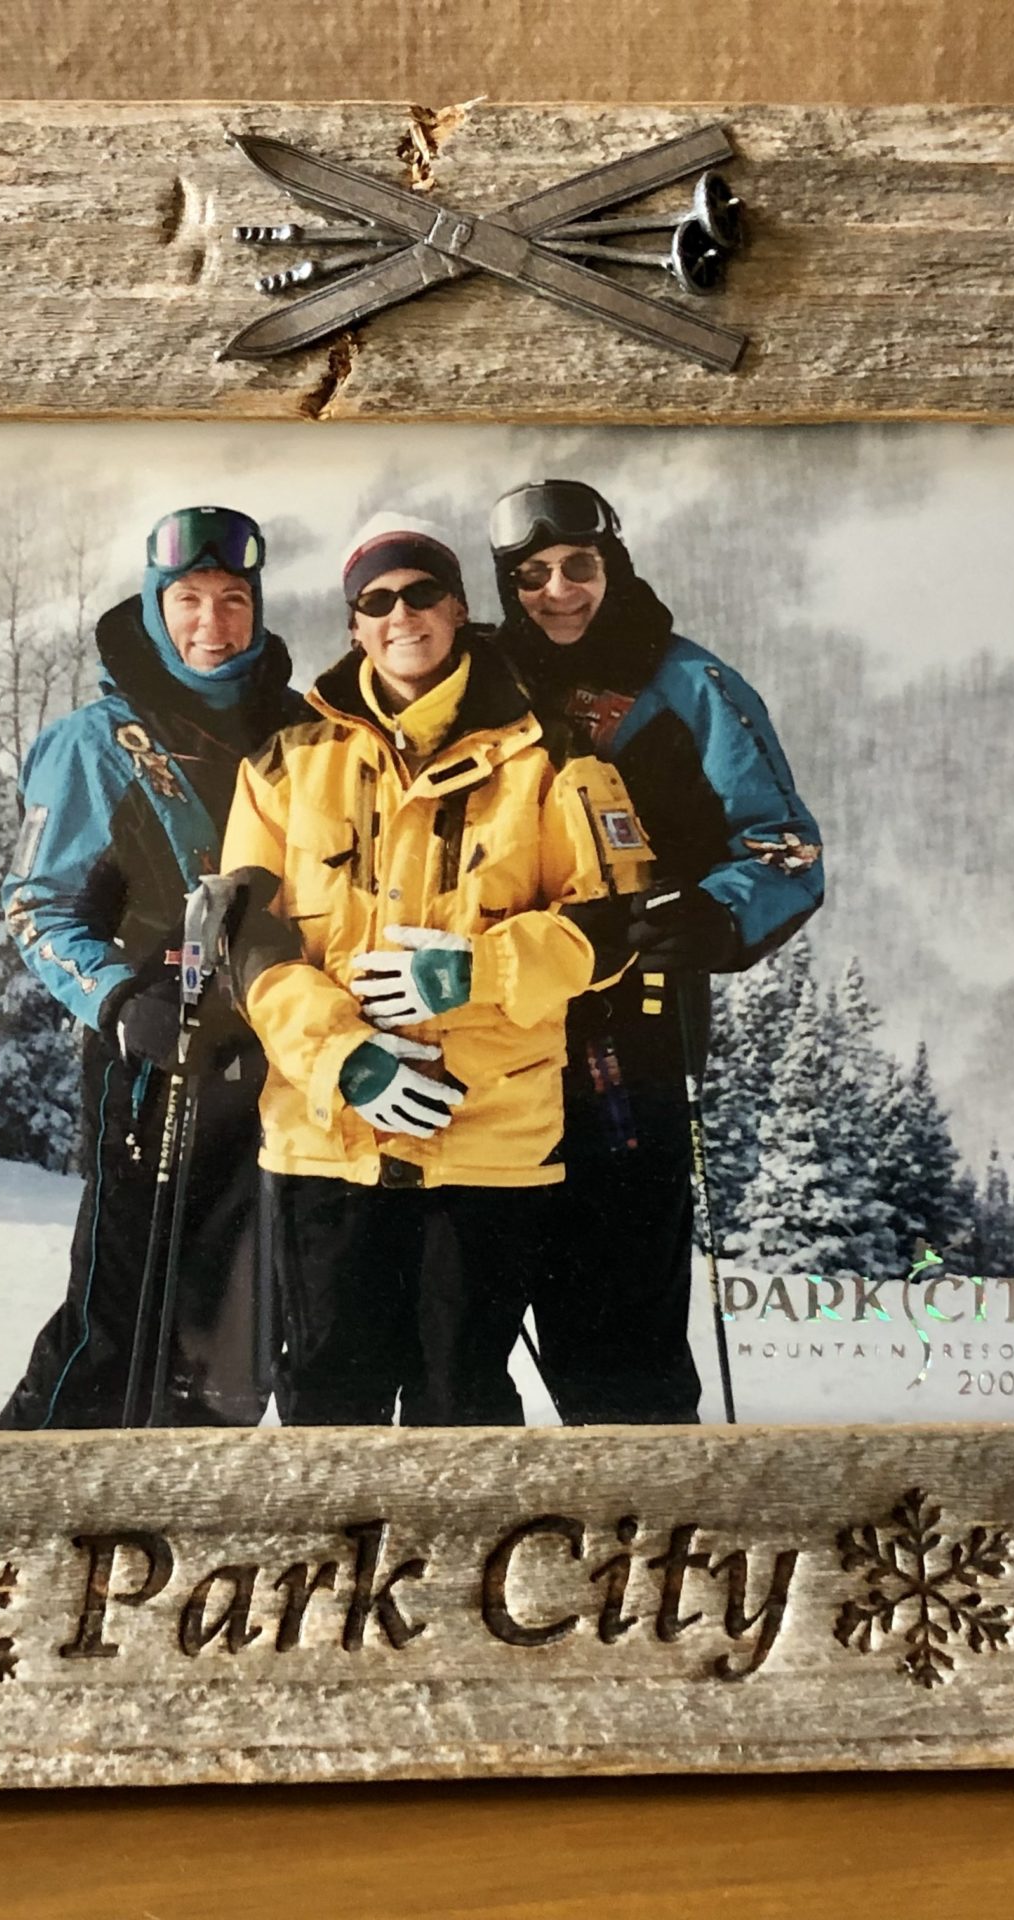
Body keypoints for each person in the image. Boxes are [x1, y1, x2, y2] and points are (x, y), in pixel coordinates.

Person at [219, 513, 652, 1425]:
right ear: (353, 626)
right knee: (329, 1392)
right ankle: (326, 1572)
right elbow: (249, 943)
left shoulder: (553, 753)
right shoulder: (287, 761)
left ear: (457, 608)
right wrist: (344, 1058)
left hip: (487, 1140)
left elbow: (614, 922)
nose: (399, 615)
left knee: (463, 1398)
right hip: (325, 1140)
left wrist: (480, 971)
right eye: (374, 602)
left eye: (421, 593)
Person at [486, 478, 825, 1424]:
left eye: (581, 567)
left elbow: (785, 850)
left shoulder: (688, 685)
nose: (560, 591)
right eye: (533, 574)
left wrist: (714, 918)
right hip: (491, 1038)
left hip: (626, 1046)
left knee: (619, 1338)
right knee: (466, 1339)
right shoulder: (476, 680)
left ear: (615, 564)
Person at [0, 505, 307, 1429]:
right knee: (116, 1323)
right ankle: (25, 1497)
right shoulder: (97, 742)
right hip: (154, 1065)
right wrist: (120, 996)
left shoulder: (297, 731)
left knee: (237, 1343)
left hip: (277, 1071)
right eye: (190, 601)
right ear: (155, 604)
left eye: (233, 600)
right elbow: (38, 906)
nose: (213, 625)